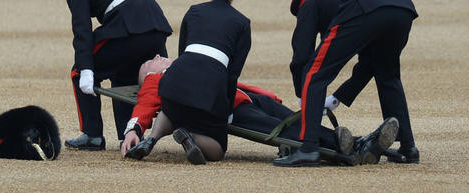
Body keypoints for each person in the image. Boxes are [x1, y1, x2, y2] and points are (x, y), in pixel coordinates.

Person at [274, 0, 418, 167]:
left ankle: (308, 149)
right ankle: (408, 148)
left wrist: (304, 96)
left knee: (314, 72)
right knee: (387, 74)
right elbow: (367, 66)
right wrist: (337, 98)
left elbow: (301, 57)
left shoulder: (309, 3)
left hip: (363, 4)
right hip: (402, 7)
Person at [49, 0, 173, 151]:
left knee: (78, 72)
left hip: (129, 31)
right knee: (123, 73)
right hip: (156, 29)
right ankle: (129, 133)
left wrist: (87, 68)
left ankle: (92, 135)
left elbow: (82, 30)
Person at [124, 0, 249, 163]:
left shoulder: (194, 11)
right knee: (218, 150)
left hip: (175, 83)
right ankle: (189, 136)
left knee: (172, 108)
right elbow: (232, 74)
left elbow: (182, 54)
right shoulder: (242, 23)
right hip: (209, 91)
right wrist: (223, 111)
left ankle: (152, 139)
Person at [121, 57, 358, 162]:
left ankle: (341, 140)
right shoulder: (157, 78)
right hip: (231, 109)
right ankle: (339, 145)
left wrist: (266, 97)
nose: (157, 56)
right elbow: (146, 103)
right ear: (148, 74)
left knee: (296, 119)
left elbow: (235, 81)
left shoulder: (186, 64)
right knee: (281, 130)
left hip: (247, 99)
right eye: (150, 62)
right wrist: (134, 129)